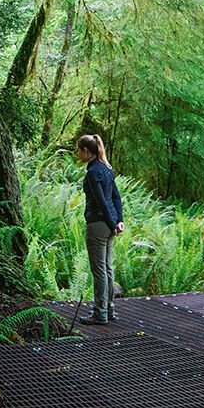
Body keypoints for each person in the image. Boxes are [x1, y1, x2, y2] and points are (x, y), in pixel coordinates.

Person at [76, 132, 124, 323]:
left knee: (99, 270)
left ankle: (100, 313)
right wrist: (119, 221)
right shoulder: (106, 169)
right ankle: (109, 309)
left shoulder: (93, 172)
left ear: (86, 151)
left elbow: (102, 201)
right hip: (110, 225)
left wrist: (113, 223)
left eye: (78, 150)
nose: (77, 154)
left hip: (98, 225)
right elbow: (116, 198)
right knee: (107, 268)